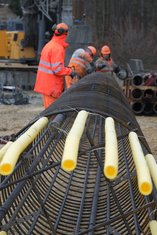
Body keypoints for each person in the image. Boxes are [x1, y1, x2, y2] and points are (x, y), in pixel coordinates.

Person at [34, 23, 76, 109]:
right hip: (52, 86)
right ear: (65, 34)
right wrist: (70, 71)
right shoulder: (58, 48)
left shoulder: (50, 45)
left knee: (49, 113)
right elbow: (57, 69)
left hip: (47, 85)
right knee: (52, 114)